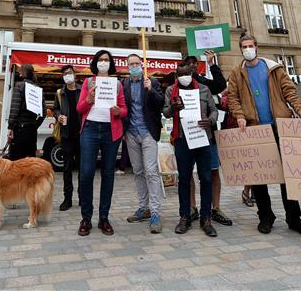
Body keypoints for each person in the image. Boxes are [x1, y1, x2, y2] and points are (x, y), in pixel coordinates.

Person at [227, 34, 301, 238]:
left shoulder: (273, 68)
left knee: (288, 176)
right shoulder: (237, 72)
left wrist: (300, 108)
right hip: (254, 129)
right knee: (259, 178)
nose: (247, 49)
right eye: (244, 46)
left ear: (256, 47)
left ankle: (294, 218)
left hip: (278, 127)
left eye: (250, 45)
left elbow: (289, 91)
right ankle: (265, 217)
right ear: (241, 49)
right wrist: (239, 115)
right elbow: (233, 97)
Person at [76, 49, 128, 236]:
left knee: (108, 173)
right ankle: (86, 218)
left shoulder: (117, 85)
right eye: (101, 60)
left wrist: (118, 112)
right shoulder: (88, 82)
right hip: (90, 129)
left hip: (110, 132)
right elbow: (80, 108)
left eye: (107, 60)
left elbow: (124, 109)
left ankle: (104, 218)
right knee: (87, 172)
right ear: (96, 63)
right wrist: (89, 99)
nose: (104, 62)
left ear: (111, 63)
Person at [163, 63, 218, 237]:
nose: (183, 76)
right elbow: (165, 112)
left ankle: (206, 218)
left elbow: (214, 110)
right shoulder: (171, 90)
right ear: (176, 75)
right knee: (184, 179)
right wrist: (173, 108)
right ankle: (184, 216)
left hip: (203, 138)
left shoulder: (204, 89)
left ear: (192, 73)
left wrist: (210, 120)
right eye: (180, 74)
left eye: (186, 73)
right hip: (182, 140)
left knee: (206, 178)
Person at [183, 50, 230, 225]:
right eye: (189, 62)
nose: (193, 65)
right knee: (187, 173)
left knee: (213, 171)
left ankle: (215, 208)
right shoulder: (177, 84)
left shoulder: (203, 82)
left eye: (195, 62)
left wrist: (211, 63)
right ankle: (192, 208)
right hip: (187, 136)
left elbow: (219, 85)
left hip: (208, 136)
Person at [121, 54, 164, 234]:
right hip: (131, 133)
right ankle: (143, 207)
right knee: (138, 171)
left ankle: (155, 212)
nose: (134, 66)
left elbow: (161, 103)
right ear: (126, 66)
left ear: (142, 64)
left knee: (151, 171)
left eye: (137, 63)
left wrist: (151, 91)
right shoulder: (123, 84)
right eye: (131, 64)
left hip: (148, 132)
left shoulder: (151, 82)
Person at [54, 64, 82, 211]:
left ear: (74, 74)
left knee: (83, 169)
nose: (67, 75)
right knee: (67, 168)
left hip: (82, 135)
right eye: (65, 74)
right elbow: (56, 109)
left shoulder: (82, 89)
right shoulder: (60, 92)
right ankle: (67, 199)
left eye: (69, 73)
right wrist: (58, 116)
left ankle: (82, 197)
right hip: (67, 135)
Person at [7, 64, 45, 160]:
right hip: (32, 129)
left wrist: (10, 127)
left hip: (20, 128)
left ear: (22, 73)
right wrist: (35, 124)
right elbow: (43, 112)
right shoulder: (38, 89)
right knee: (30, 161)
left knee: (17, 161)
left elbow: (15, 108)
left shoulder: (19, 86)